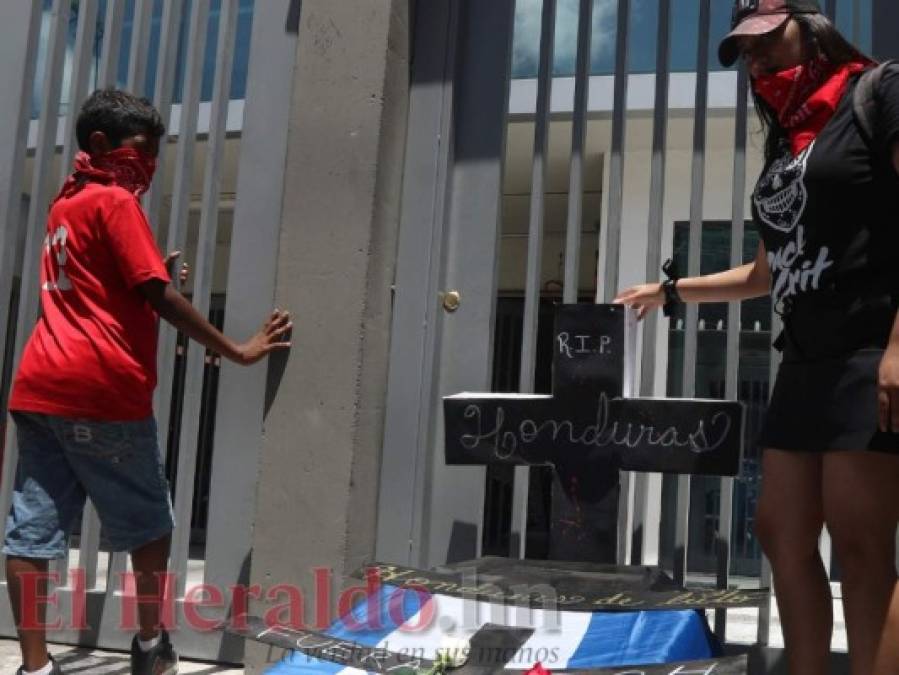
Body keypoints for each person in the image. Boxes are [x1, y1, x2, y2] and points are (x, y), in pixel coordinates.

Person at [615, 1, 899, 673]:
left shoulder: (878, 91)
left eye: (768, 38)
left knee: (861, 548)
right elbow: (768, 270)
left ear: (812, 25)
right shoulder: (787, 142)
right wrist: (671, 290)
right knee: (780, 531)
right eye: (744, 49)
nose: (756, 57)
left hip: (867, 350)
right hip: (801, 361)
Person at [3, 89, 292, 675]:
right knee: (149, 524)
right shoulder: (113, 201)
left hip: (40, 386)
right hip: (101, 387)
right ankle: (151, 646)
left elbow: (103, 288)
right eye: (144, 150)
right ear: (102, 145)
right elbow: (155, 295)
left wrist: (154, 268)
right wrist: (238, 349)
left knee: (32, 531)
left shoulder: (67, 205)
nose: (151, 164)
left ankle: (35, 668)